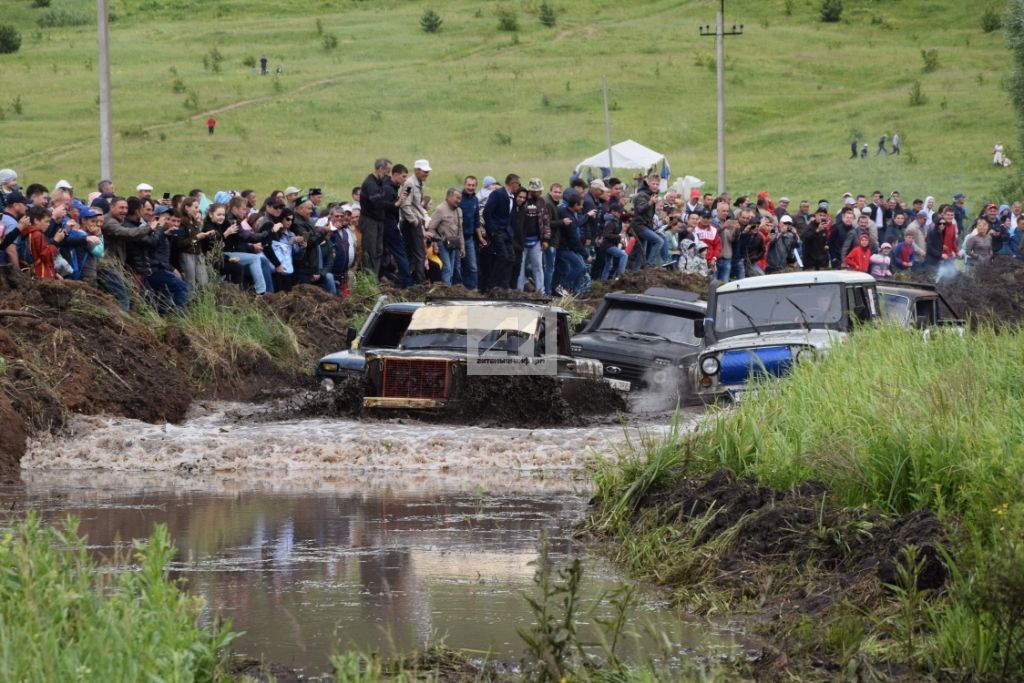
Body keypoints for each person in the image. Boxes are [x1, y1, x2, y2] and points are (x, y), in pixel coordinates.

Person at [482, 174, 520, 291]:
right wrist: (492, 230)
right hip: (497, 231)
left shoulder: (512, 197)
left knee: (511, 258)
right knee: (502, 256)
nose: (518, 187)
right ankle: (492, 284)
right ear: (513, 183)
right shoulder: (498, 194)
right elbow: (487, 212)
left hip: (506, 231)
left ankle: (504, 284)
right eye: (518, 184)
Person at [358, 158, 391, 277]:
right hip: (369, 220)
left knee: (378, 251)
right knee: (370, 251)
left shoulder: (379, 182)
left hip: (378, 220)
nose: (388, 174)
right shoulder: (370, 183)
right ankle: (368, 280)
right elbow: (378, 203)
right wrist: (394, 205)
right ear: (380, 169)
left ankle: (374, 278)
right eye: (387, 171)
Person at [401, 160, 432, 285]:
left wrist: (424, 217)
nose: (426, 174)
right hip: (411, 223)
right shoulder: (410, 184)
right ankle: (418, 282)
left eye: (427, 172)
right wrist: (414, 221)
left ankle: (409, 281)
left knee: (412, 253)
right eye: (424, 171)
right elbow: (405, 205)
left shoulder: (418, 183)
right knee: (419, 253)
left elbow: (416, 205)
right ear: (417, 170)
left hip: (414, 221)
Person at [517, 178, 550, 292]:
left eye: (539, 191)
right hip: (522, 241)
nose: (538, 193)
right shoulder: (522, 201)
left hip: (536, 240)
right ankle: (519, 291)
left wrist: (546, 239)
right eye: (536, 191)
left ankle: (541, 291)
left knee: (538, 266)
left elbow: (545, 221)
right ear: (530, 191)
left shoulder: (541, 202)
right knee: (520, 268)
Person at [427, 187, 464, 286]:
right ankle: (446, 290)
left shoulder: (459, 210)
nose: (459, 201)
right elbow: (431, 228)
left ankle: (448, 289)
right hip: (442, 244)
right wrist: (435, 243)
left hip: (454, 244)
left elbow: (460, 230)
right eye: (457, 198)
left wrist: (462, 247)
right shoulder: (440, 209)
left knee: (451, 269)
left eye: (460, 198)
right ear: (449, 197)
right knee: (447, 268)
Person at [630, 174, 665, 268]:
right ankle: (649, 265)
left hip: (645, 225)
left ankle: (635, 273)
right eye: (653, 183)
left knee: (641, 254)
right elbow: (640, 209)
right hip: (639, 226)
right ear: (648, 183)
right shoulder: (642, 195)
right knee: (659, 241)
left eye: (657, 184)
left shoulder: (650, 195)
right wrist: (650, 202)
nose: (655, 186)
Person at [457, 175, 481, 290]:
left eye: (473, 185)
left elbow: (477, 221)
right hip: (456, 238)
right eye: (468, 185)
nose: (470, 187)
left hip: (469, 238)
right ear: (464, 185)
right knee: (457, 266)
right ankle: (457, 290)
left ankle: (472, 290)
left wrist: (480, 237)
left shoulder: (475, 200)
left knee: (472, 267)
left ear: (476, 186)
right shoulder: (458, 198)